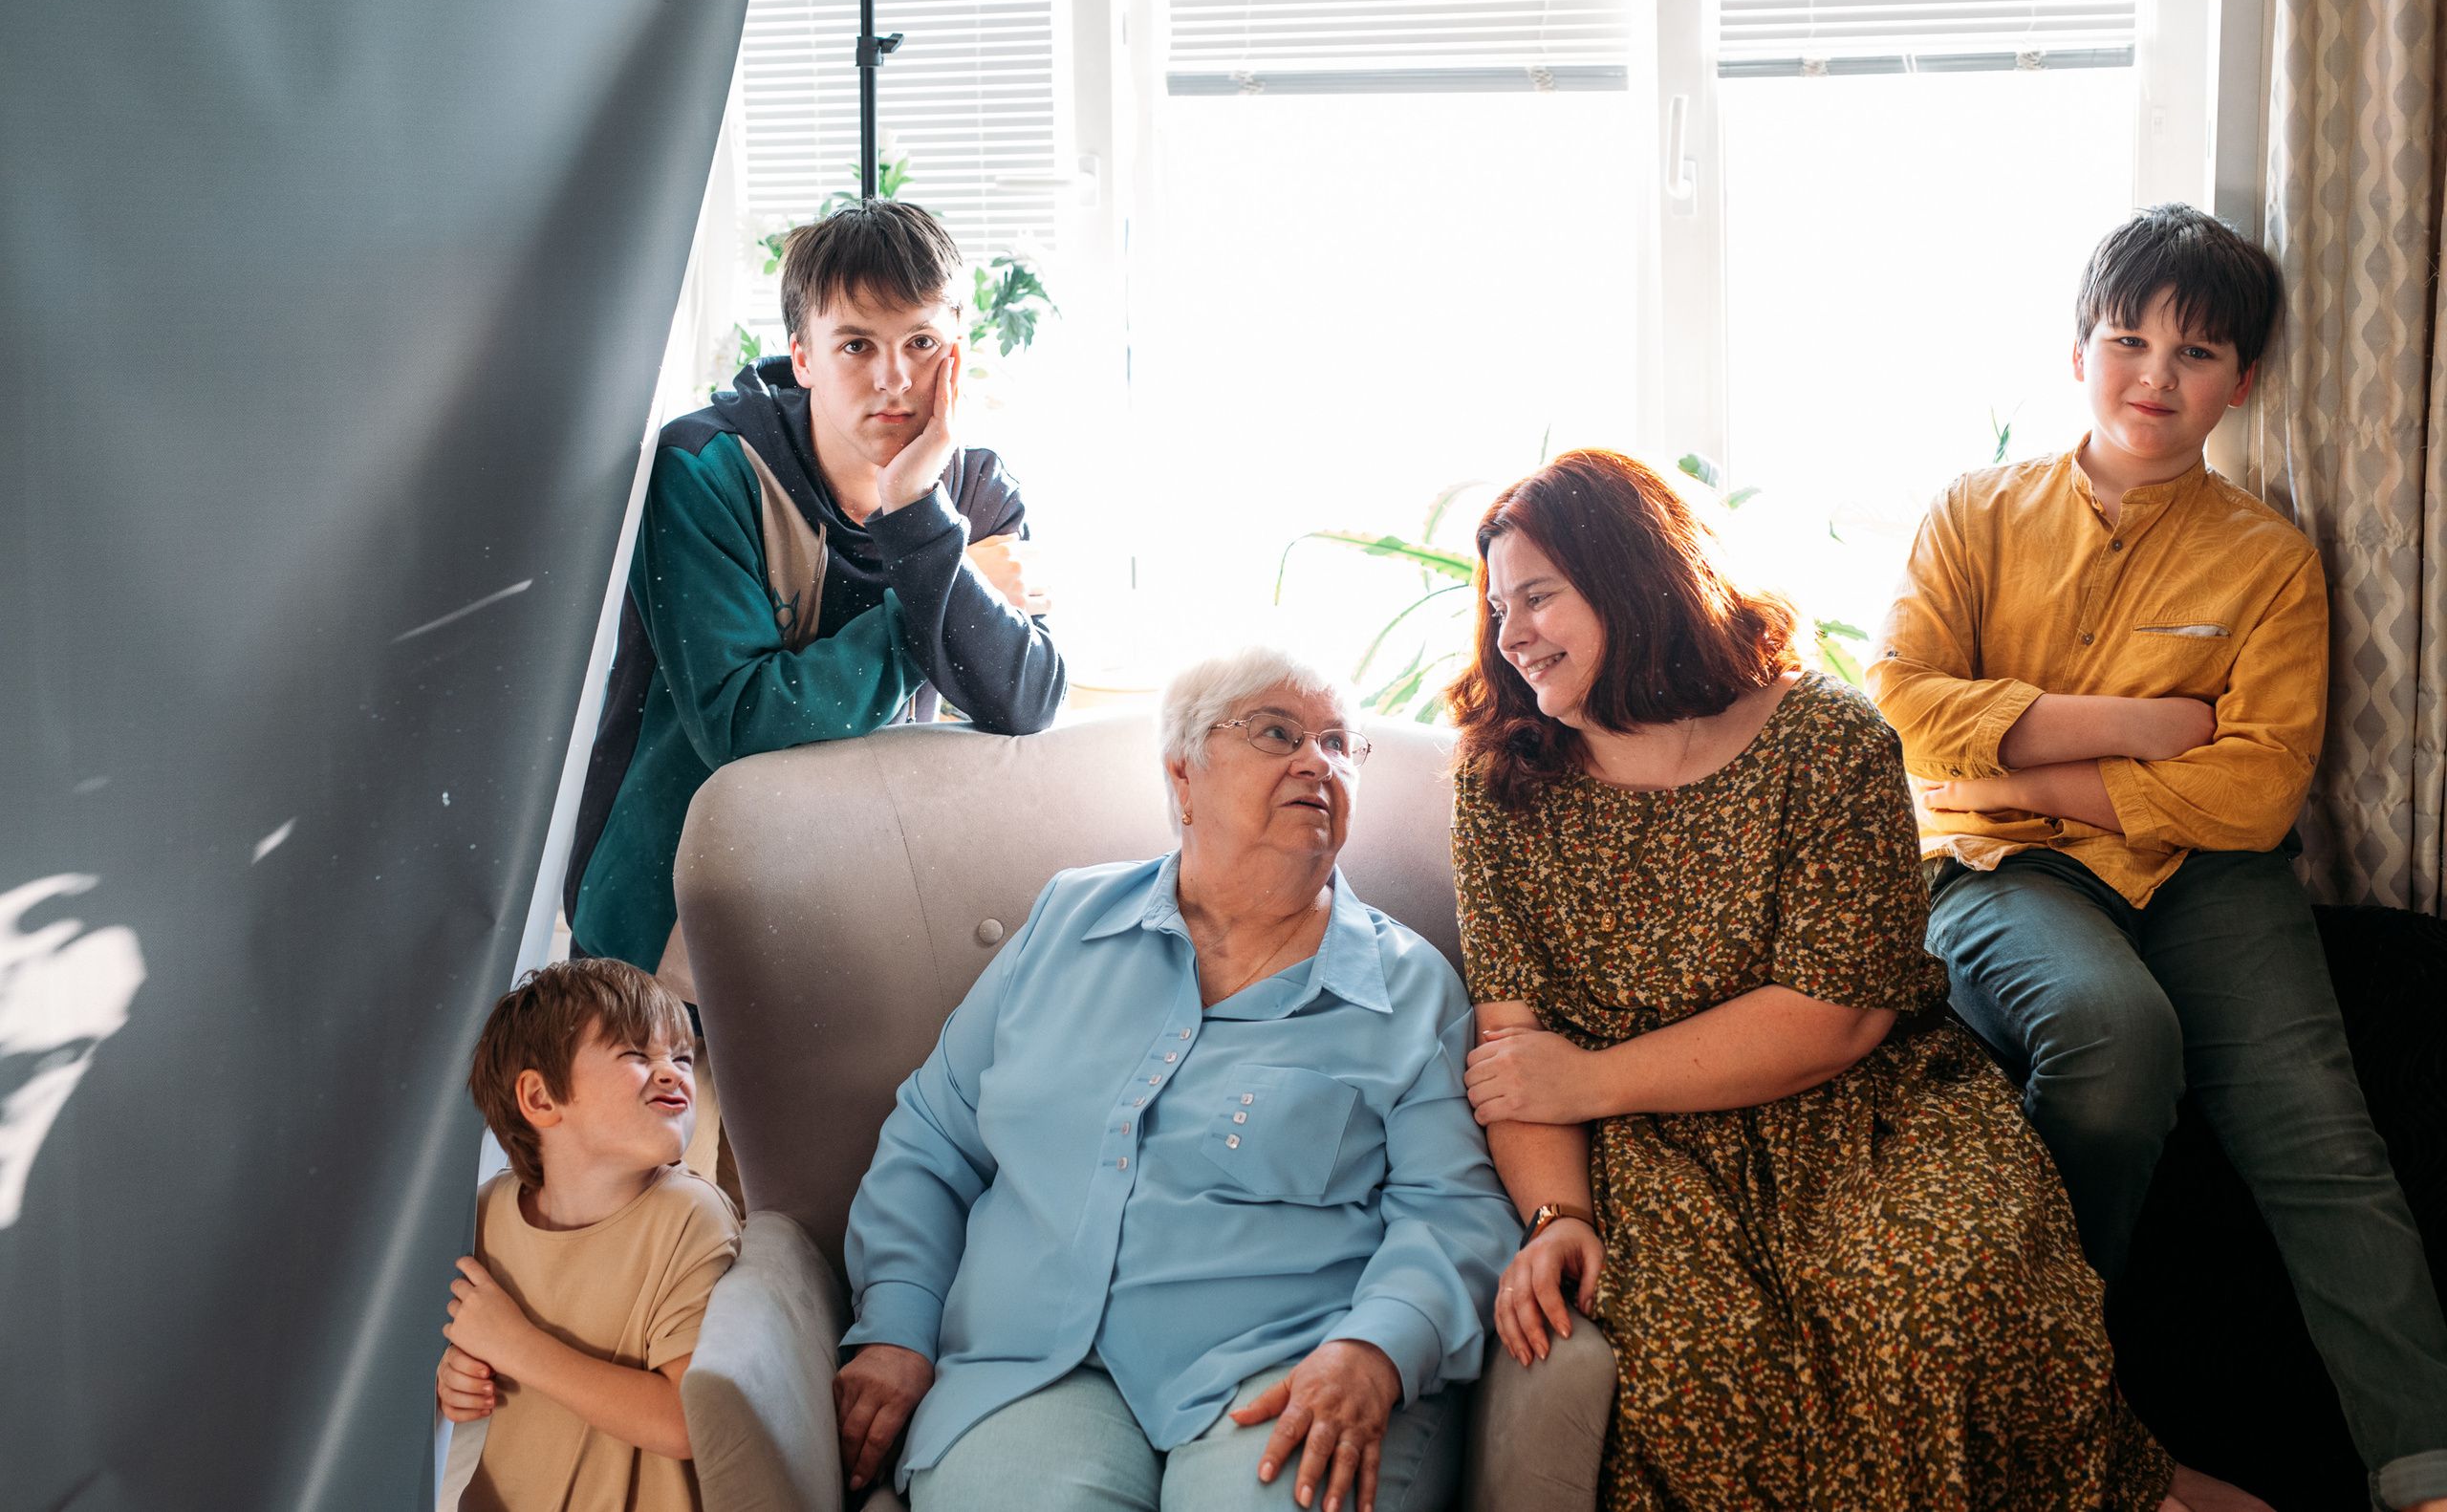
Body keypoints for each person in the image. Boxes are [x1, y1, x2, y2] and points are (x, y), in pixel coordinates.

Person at [1449, 449, 2180, 1509]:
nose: (1510, 634)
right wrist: (1555, 1215)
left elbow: (1836, 1019)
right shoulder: (1500, 786)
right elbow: (1517, 1063)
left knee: (1935, 1292)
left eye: (1538, 596)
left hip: (1867, 1111)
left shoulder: (1829, 742)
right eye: (1497, 604)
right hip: (1661, 1155)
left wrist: (1590, 1080)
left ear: (1630, 576)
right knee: (1697, 1370)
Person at [1866, 203, 2447, 1512]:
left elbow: (2251, 785)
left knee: (2322, 1137)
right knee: (2113, 1034)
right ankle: (2035, 1387)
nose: (2154, 377)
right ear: (2079, 350)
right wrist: (2139, 725)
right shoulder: (1972, 512)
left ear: (2241, 383)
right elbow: (1901, 698)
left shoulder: (2269, 559)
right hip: (2001, 867)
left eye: (2195, 354)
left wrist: (2025, 759)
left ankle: (2427, 1469)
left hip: (2205, 869)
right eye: (2128, 339)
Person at [832, 647, 1518, 1512]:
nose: (1319, 761)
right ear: (1183, 775)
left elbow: (1455, 1209)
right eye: (1278, 732)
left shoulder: (1410, 988)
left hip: (1291, 1372)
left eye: (1341, 744)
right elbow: (934, 1140)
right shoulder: (1065, 924)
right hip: (1028, 1371)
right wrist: (896, 1327)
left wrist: (1376, 1349)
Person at [563, 200, 1066, 978]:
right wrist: (935, 589)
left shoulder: (975, 488)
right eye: (856, 345)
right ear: (802, 357)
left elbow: (1027, 700)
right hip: (672, 918)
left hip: (865, 901)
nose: (894, 378)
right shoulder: (705, 469)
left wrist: (919, 510)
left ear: (957, 352)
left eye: (923, 342)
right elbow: (743, 727)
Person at [433, 959, 740, 1512]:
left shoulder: (692, 1219)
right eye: (635, 1055)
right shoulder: (484, 1215)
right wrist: (454, 1375)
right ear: (541, 1100)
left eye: (682, 1056)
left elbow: (688, 1421)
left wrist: (518, 1347)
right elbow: (461, 1349)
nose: (672, 1072)